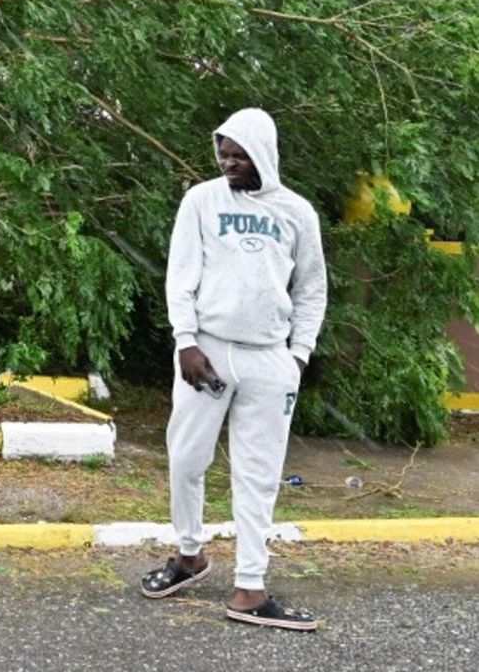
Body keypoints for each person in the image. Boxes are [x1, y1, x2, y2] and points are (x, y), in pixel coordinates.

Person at [141, 108, 327, 631]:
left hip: (270, 359)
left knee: (258, 474)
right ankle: (189, 555)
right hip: (208, 352)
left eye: (239, 155)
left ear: (263, 153)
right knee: (186, 458)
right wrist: (186, 342)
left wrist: (297, 357)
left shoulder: (298, 212)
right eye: (223, 154)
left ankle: (250, 588)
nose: (228, 163)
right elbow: (180, 277)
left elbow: (311, 289)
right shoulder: (201, 201)